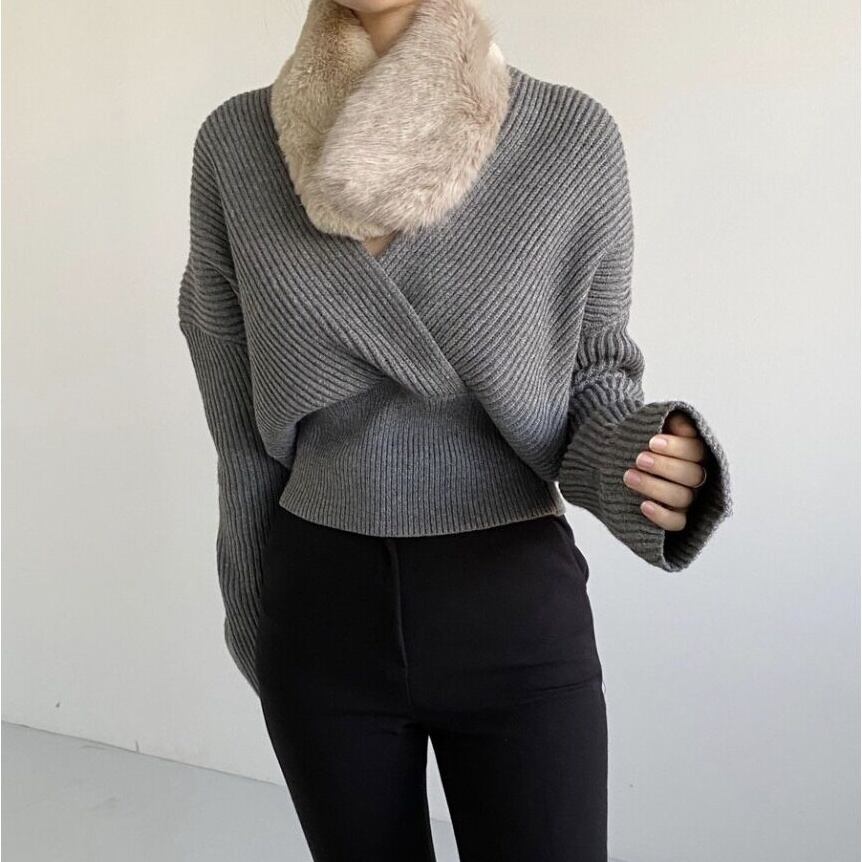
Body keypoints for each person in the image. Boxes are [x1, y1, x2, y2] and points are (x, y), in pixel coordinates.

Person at [177, 0, 733, 859]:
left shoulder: (569, 140)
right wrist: (255, 611)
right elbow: (239, 432)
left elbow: (592, 380)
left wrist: (643, 456)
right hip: (319, 611)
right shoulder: (236, 147)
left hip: (510, 608)